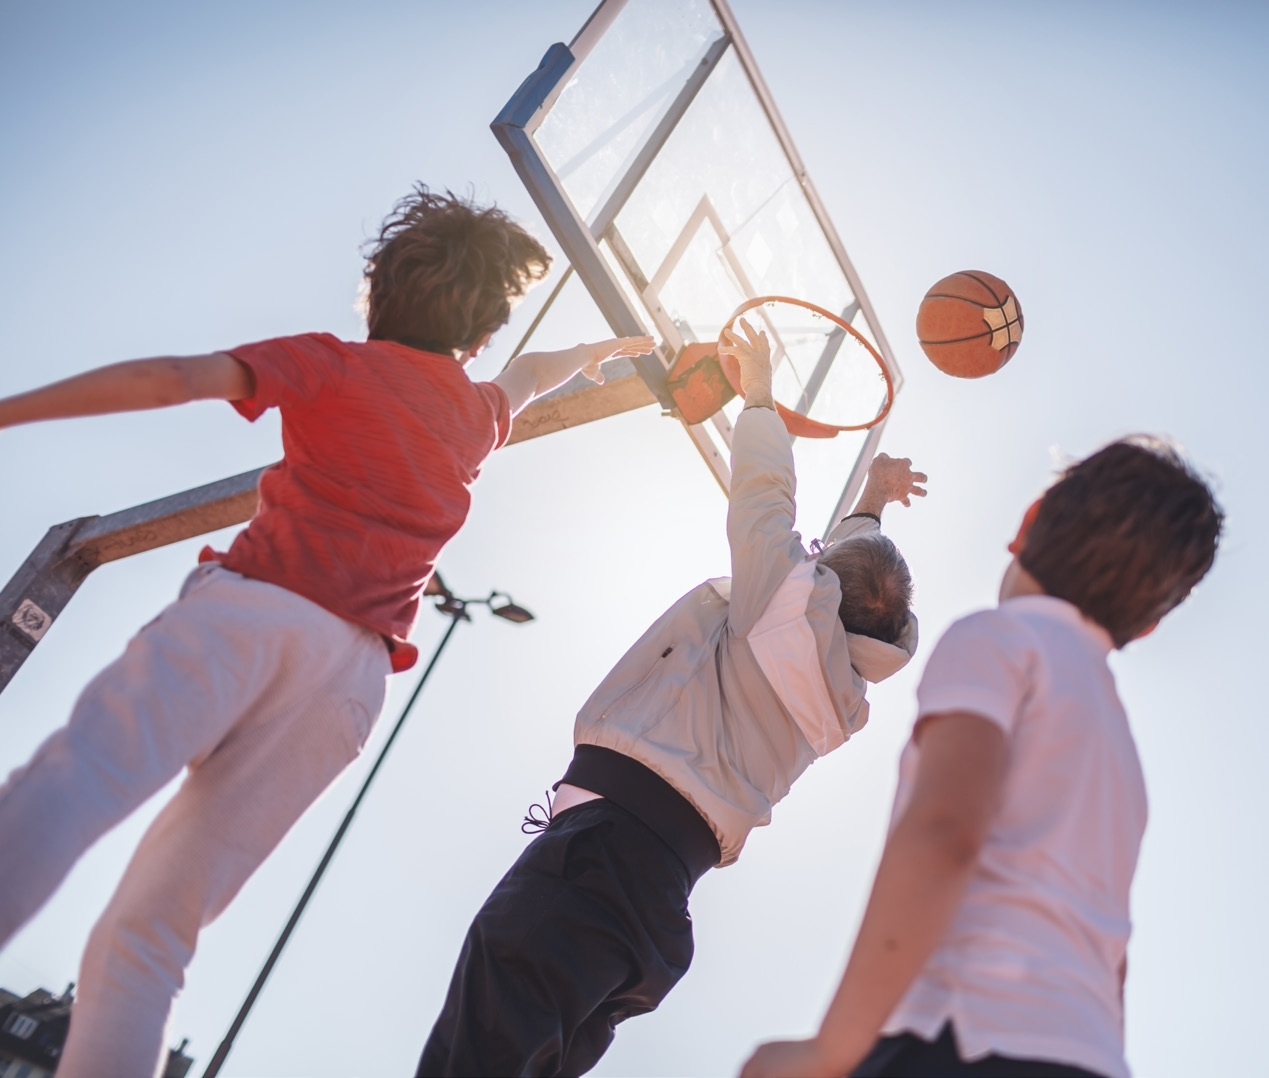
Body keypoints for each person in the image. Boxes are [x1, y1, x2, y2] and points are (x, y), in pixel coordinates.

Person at [0, 185, 653, 1078]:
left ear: (379, 290)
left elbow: (174, 380)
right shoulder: (473, 414)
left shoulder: (333, 364)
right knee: (151, 938)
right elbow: (538, 371)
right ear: (481, 332)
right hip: (345, 687)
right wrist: (615, 348)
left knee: (70, 788)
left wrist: (11, 409)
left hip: (253, 613)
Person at [417, 319, 928, 1077]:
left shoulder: (786, 608)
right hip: (652, 907)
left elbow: (765, 501)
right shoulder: (840, 686)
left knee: (476, 1055)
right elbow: (848, 590)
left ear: (821, 584)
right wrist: (870, 504)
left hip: (604, 860)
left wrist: (759, 395)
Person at [740, 436, 1223, 1078]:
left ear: (1027, 523)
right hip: (1090, 1055)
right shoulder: (1120, 752)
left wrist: (833, 1049)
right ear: (1150, 623)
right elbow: (1114, 959)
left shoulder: (1000, 639)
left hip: (963, 1034)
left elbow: (945, 832)